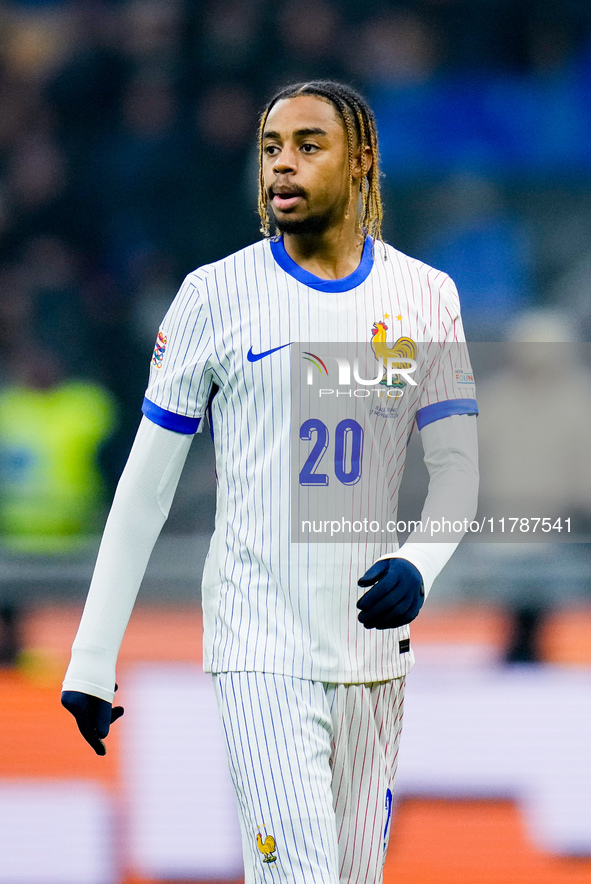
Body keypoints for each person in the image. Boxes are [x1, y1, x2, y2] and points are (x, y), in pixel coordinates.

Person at [62, 81, 479, 884]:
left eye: (307, 146)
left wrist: (418, 567)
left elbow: (457, 473)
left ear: (360, 162)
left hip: (373, 654)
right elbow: (145, 491)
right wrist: (90, 656)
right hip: (259, 646)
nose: (282, 166)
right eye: (269, 148)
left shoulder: (426, 296)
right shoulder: (213, 297)